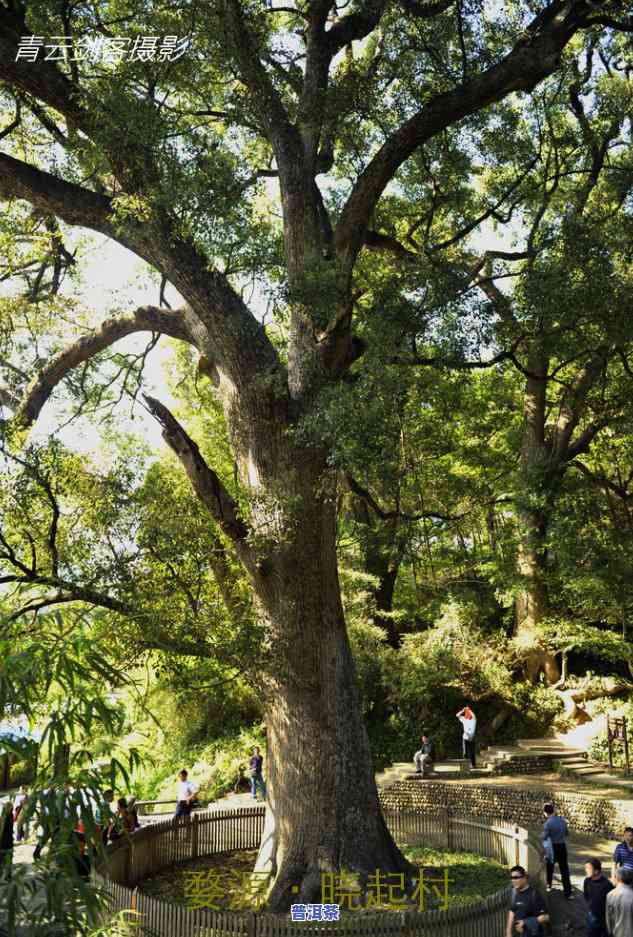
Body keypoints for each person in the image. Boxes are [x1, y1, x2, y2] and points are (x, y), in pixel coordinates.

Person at [506, 864, 549, 936]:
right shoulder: (514, 892)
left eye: (516, 877)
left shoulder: (534, 895)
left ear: (524, 878)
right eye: (512, 878)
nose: (513, 880)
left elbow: (546, 917)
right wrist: (508, 932)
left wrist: (525, 922)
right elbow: (512, 910)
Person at [542, 802, 572, 899]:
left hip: (553, 848)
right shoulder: (562, 820)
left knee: (550, 867)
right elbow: (567, 833)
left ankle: (549, 885)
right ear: (553, 810)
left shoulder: (547, 823)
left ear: (545, 813)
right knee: (564, 870)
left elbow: (545, 837)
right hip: (562, 846)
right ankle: (568, 893)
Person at [583, 858, 614, 937]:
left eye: (588, 868)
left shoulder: (607, 885)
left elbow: (612, 903)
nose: (586, 870)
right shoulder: (587, 881)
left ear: (596, 871)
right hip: (592, 915)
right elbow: (586, 896)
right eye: (585, 868)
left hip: (605, 918)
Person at [606, 866, 633, 937]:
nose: (611, 879)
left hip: (617, 932)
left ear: (618, 879)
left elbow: (609, 918)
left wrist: (610, 931)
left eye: (613, 877)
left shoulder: (610, 895)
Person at [0, 798, 14, 880]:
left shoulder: (3, 818)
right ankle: (8, 877)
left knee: (3, 862)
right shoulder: (10, 816)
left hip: (3, 845)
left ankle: (7, 877)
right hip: (8, 844)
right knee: (8, 862)